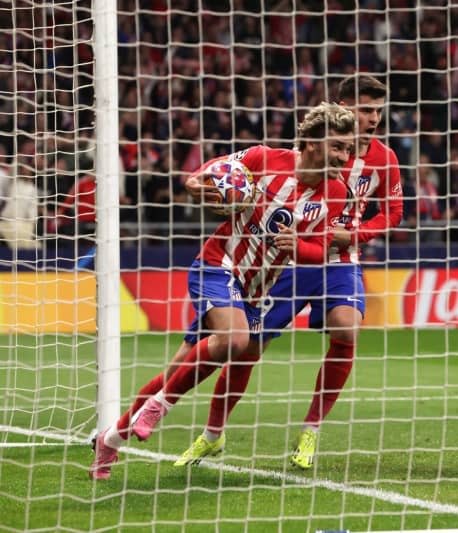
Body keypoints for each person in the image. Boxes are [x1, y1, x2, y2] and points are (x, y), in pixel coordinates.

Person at [89, 102, 356, 480]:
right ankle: (160, 406)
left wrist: (300, 248)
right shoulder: (264, 158)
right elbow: (201, 176)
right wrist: (198, 187)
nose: (345, 158)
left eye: (349, 150)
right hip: (218, 265)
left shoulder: (336, 193)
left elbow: (321, 249)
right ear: (313, 141)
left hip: (255, 290)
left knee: (178, 370)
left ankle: (111, 440)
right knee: (235, 340)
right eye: (339, 147)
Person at [175, 74, 404, 470]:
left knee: (347, 329)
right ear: (342, 109)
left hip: (337, 260)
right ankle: (212, 434)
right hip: (285, 258)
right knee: (247, 348)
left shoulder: (384, 159)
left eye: (378, 111)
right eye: (366, 109)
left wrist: (354, 235)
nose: (374, 119)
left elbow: (393, 212)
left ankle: (311, 429)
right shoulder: (311, 154)